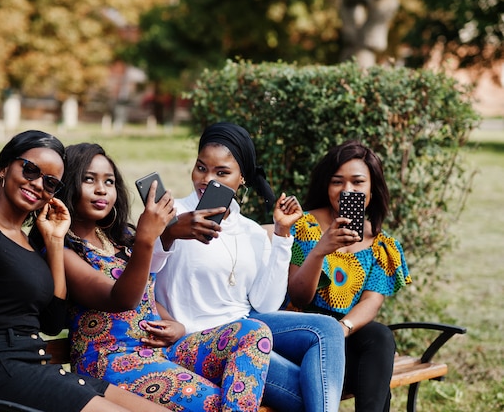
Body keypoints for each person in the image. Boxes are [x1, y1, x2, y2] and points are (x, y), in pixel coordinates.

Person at [0, 130, 169, 412]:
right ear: (4, 167)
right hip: (0, 373)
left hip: (35, 369)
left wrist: (54, 242)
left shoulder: (23, 239)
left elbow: (52, 321)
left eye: (50, 183)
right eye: (30, 170)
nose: (38, 184)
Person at [56, 142, 273, 412]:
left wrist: (175, 325)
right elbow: (121, 298)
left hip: (160, 350)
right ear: (67, 186)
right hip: (111, 362)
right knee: (214, 403)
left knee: (255, 332)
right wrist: (148, 238)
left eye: (109, 181)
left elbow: (146, 295)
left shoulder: (119, 237)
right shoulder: (64, 250)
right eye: (89, 179)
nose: (101, 189)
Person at [153, 122, 346, 412]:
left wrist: (281, 234)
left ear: (242, 177)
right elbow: (146, 273)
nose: (207, 179)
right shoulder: (172, 214)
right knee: (312, 391)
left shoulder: (251, 231)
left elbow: (264, 303)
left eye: (222, 172)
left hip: (248, 327)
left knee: (326, 329)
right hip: (198, 340)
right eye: (201, 167)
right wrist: (169, 232)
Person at [287, 140, 412, 412]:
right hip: (300, 331)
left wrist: (341, 328)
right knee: (376, 367)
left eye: (357, 182)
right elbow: (298, 295)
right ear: (326, 185)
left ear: (372, 188)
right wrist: (321, 251)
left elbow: (372, 301)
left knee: (380, 337)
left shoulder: (381, 245)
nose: (347, 191)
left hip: (343, 336)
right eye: (337, 182)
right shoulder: (305, 226)